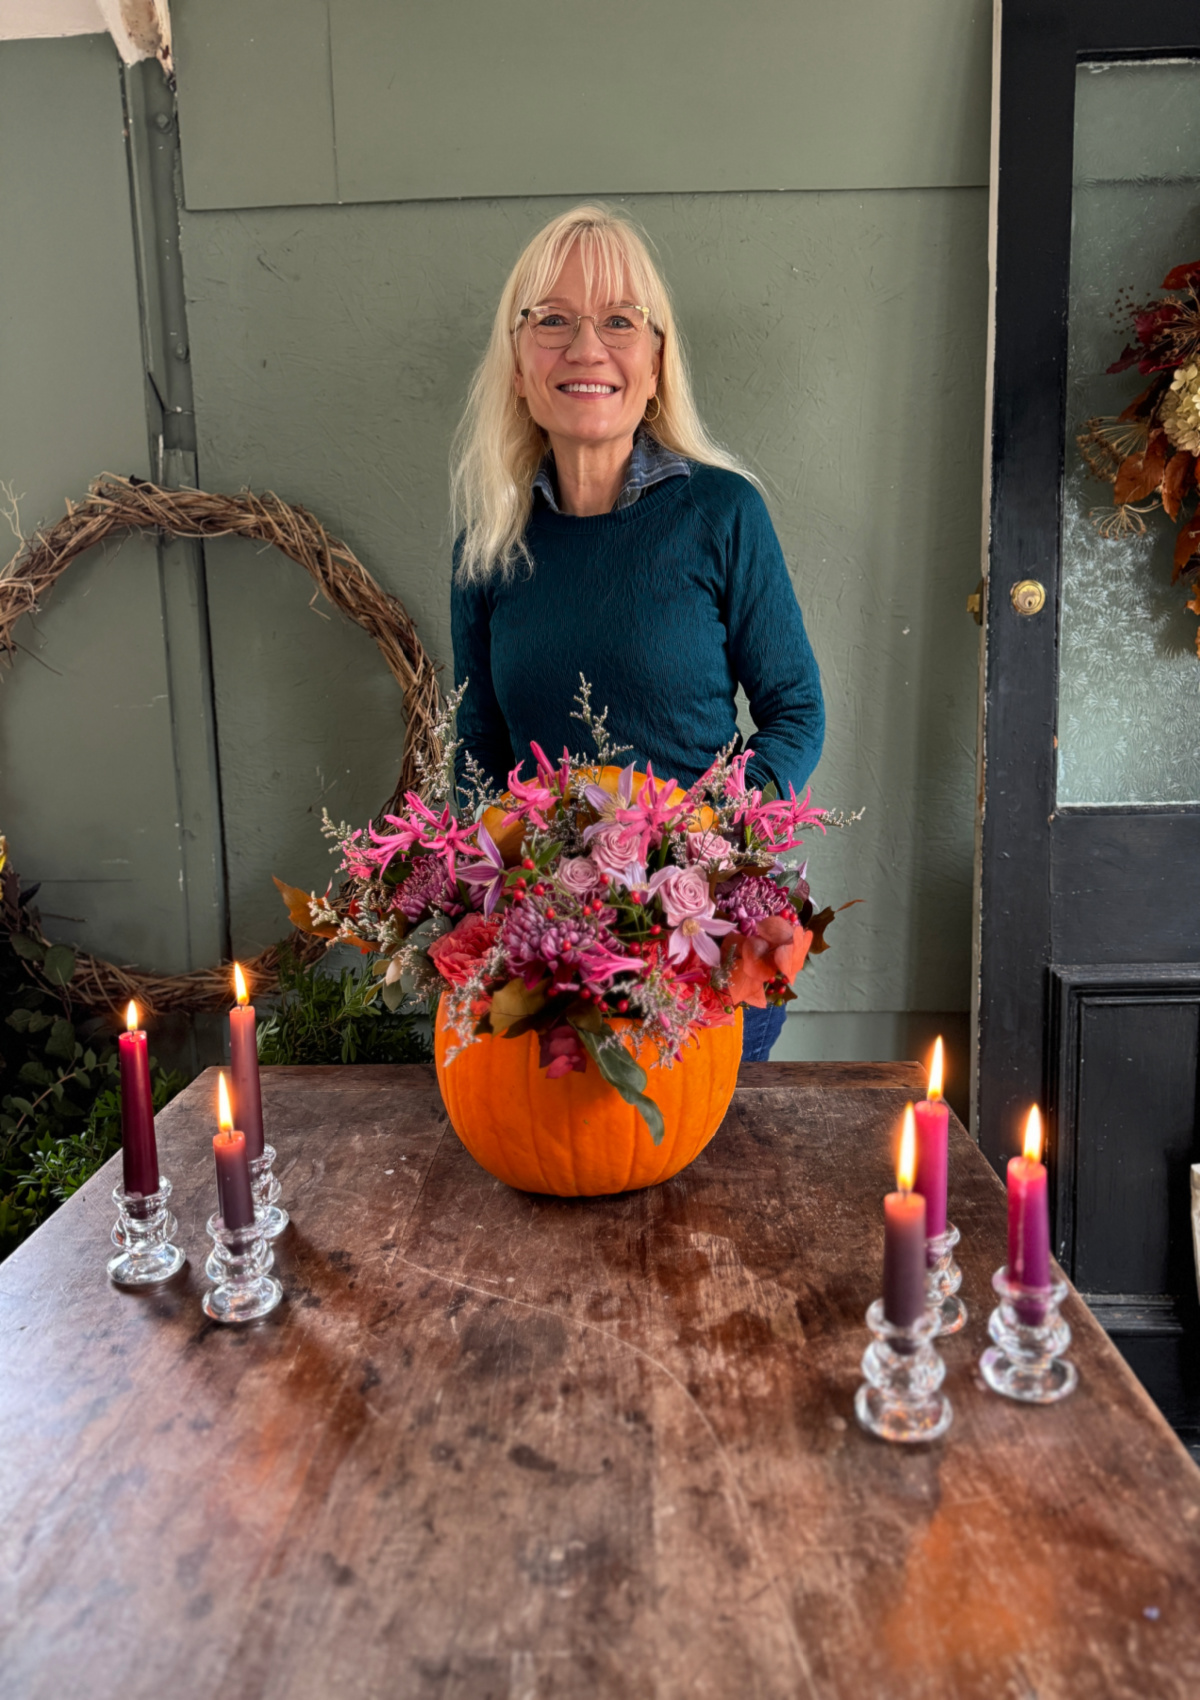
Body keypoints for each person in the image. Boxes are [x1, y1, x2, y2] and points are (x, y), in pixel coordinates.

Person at [449, 205, 824, 1061]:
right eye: (553, 321)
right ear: (518, 365)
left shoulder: (722, 513)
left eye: (620, 321)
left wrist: (701, 846)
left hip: (709, 950)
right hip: (550, 968)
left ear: (656, 363)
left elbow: (795, 711)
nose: (587, 348)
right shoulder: (487, 544)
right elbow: (478, 747)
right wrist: (493, 886)